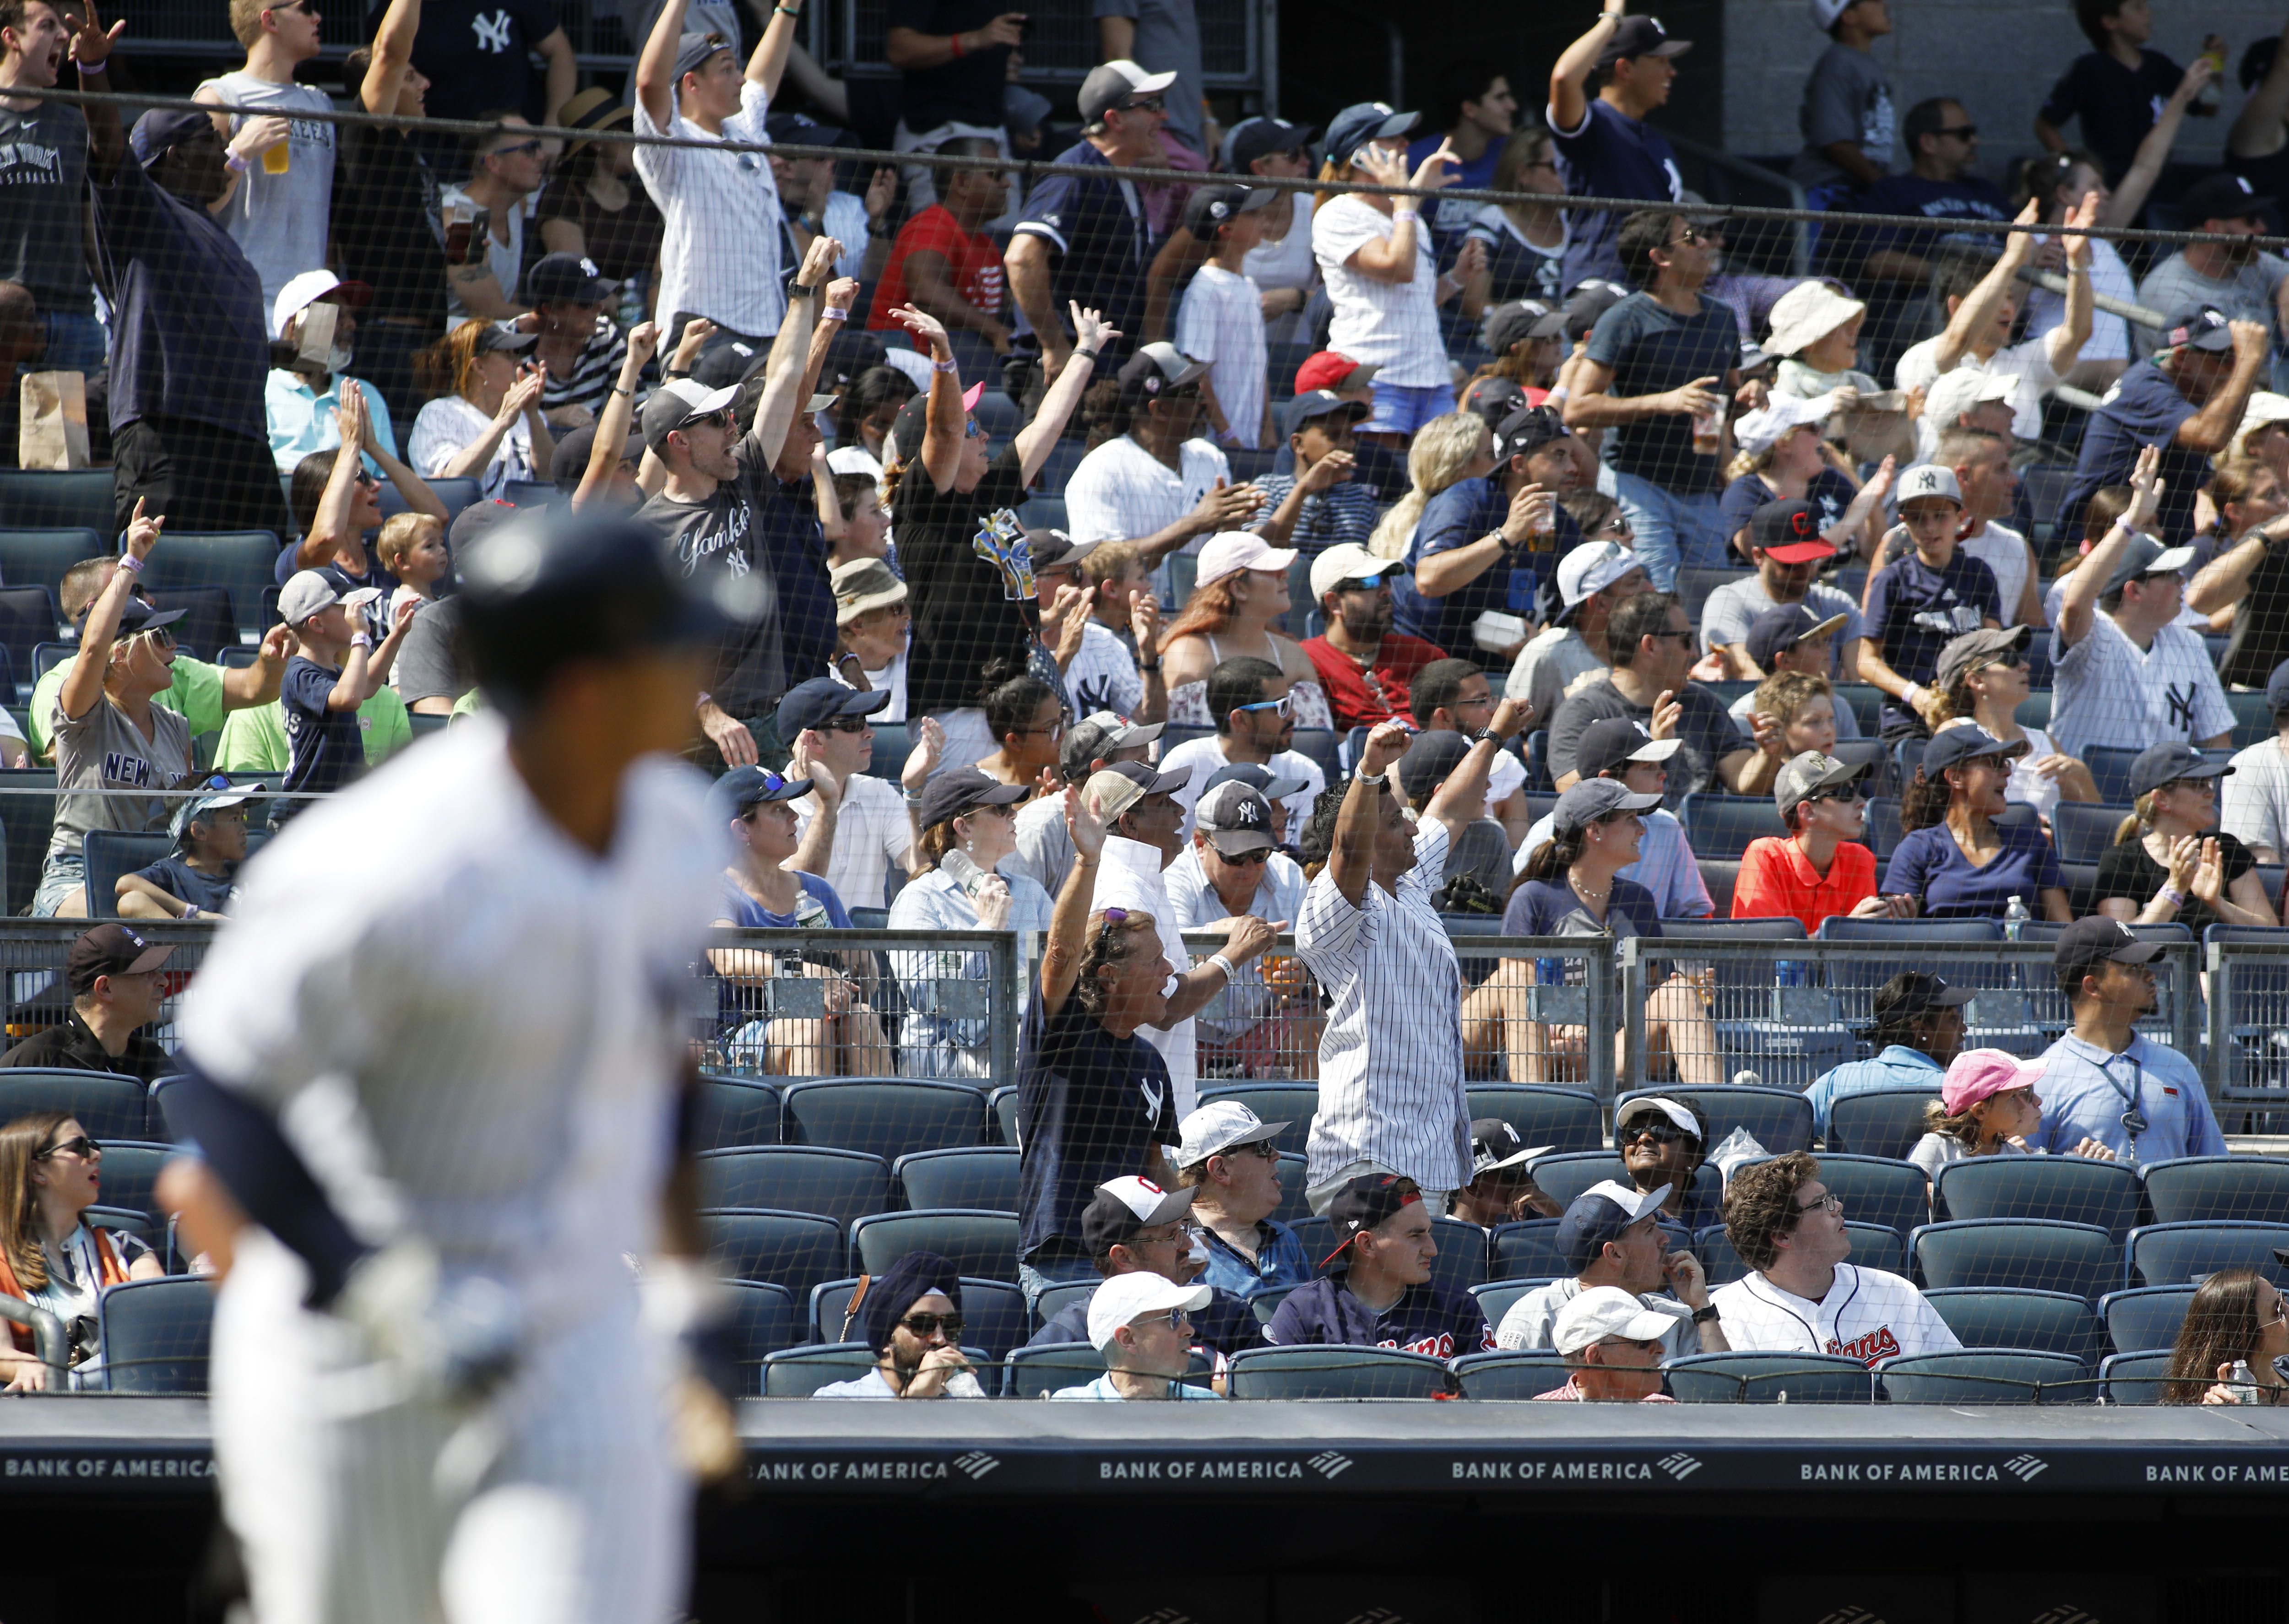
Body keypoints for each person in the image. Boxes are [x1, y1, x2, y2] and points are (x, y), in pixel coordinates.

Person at [161, 506, 759, 1620]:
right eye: (670, 647)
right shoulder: (386, 856)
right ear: (585, 687)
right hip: (351, 1350)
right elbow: (222, 1092)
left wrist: (691, 1303)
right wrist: (378, 1286)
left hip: (570, 1331)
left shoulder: (676, 827)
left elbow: (660, 1077)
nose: (701, 664)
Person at [633, 238, 846, 769]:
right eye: (715, 421)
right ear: (679, 443)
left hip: (766, 720)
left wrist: (802, 294)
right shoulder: (648, 534)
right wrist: (706, 712)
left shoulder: (745, 473)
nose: (733, 426)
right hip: (690, 736)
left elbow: (782, 383)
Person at [1297, 716, 1516, 1211]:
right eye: (1395, 821)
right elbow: (1348, 849)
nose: (1412, 826)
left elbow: (1452, 810)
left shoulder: (1411, 882)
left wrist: (1494, 732)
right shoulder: (1333, 905)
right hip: (1367, 1156)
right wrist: (1370, 769)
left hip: (1428, 1155)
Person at [1011, 780, 1185, 1306]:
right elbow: (1061, 954)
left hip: (1138, 1264)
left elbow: (1155, 1163)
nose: (1168, 970)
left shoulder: (1150, 1060)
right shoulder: (1063, 1035)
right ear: (1110, 977)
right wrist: (1088, 862)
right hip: (1064, 1261)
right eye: (1154, 961)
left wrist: (1190, 1230)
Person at [87, 98, 294, 536]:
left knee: (262, 589)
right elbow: (107, 143)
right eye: (212, 140)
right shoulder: (145, 211)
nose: (224, 151)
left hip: (245, 444)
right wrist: (93, 67)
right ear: (176, 156)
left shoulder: (218, 238)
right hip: (169, 436)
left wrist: (275, 353)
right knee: (159, 587)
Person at [1497, 776, 1723, 1087]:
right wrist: (1563, 1026)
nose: (1642, 830)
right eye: (1631, 820)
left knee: (1679, 992)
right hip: (1552, 1050)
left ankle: (1710, 1120)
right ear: (1595, 831)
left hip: (1620, 1045)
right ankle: (1535, 1111)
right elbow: (1513, 993)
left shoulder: (1639, 900)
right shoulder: (1534, 898)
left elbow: (1651, 987)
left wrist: (1691, 991)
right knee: (1528, 990)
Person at [1563, 209, 1741, 591]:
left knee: (1712, 601)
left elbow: (1723, 399)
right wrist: (1666, 402)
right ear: (1660, 257)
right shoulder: (1624, 319)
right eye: (1692, 238)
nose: (1707, 244)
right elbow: (1578, 407)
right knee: (1654, 598)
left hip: (1702, 490)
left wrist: (1749, 398)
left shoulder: (1722, 319)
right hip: (1637, 486)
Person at [39, 510, 193, 918]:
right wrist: (130, 564)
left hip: (155, 879)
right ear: (121, 652)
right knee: (117, 912)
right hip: (78, 879)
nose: (173, 647)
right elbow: (92, 650)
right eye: (159, 637)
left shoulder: (177, 727)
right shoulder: (85, 713)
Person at [634, 0, 805, 348]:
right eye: (727, 70)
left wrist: (787, 9)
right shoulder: (672, 142)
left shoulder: (745, 129)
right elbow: (651, 83)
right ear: (692, 83)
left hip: (767, 327)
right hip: (700, 330)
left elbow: (762, 78)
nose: (740, 79)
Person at [705, 763, 893, 1078]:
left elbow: (869, 981)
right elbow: (728, 959)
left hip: (820, 1017)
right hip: (740, 1036)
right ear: (741, 830)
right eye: (779, 810)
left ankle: (879, 1127)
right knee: (810, 1026)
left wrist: (854, 959)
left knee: (863, 1018)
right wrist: (804, 973)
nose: (794, 817)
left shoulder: (816, 890)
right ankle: (808, 1128)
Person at [2052, 450, 2234, 760]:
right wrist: (2131, 521)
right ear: (2134, 591)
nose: (2182, 581)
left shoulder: (2189, 644)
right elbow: (2073, 605)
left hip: (2169, 799)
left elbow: (2218, 742)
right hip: (2089, 798)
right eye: (2169, 576)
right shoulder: (2094, 635)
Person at [26, 554, 291, 767]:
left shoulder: (173, 711)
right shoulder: (58, 686)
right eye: (136, 591)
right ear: (99, 610)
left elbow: (255, 688)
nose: (151, 599)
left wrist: (272, 661)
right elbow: (67, 755)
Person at [1310, 102, 1469, 444]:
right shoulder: (1339, 213)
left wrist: (1457, 279)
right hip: (1377, 378)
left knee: (1448, 480)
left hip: (1432, 378)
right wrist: (1406, 198)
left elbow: (1417, 300)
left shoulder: (1407, 216)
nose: (1404, 145)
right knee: (1383, 482)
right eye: (1391, 138)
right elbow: (1397, 269)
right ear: (1359, 155)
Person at [1005, 59, 1176, 376]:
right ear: (1115, 119)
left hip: (1100, 363)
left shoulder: (1121, 178)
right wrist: (1055, 345)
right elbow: (1022, 259)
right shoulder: (1075, 172)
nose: (1163, 116)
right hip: (1069, 363)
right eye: (1152, 106)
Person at [1893, 198, 2097, 457]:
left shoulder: (2023, 361)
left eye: (2010, 298)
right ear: (1956, 306)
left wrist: (2077, 264)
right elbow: (1960, 338)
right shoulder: (1920, 358)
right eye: (1995, 300)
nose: (2006, 309)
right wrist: (2012, 259)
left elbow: (2077, 334)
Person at [1713, 1152, 1961, 1364]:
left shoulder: (1895, 1293)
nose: (1838, 1207)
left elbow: (1956, 1382)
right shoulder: (1729, 1314)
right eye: (1820, 1204)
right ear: (1781, 1236)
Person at [886, 766, 1049, 1078]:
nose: (1013, 815)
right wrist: (987, 930)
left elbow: (1051, 974)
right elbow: (928, 995)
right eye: (1001, 810)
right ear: (964, 828)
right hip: (945, 1059)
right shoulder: (920, 899)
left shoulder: (1031, 893)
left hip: (1024, 1045)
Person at [2057, 305, 2268, 545]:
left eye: (2237, 356)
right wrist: (2249, 361)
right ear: (2182, 359)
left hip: (2156, 548)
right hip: (2095, 549)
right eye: (2226, 359)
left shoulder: (2194, 394)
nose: (2233, 368)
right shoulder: (2144, 388)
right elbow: (2211, 438)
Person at [2033, 917, 2226, 1164]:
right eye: (2133, 968)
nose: (2150, 976)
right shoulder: (2045, 1076)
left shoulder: (2177, 1066)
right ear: (2093, 986)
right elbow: (2025, 1180)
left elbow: (2213, 1169)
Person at [1063, 341, 1260, 581]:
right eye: (1191, 393)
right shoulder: (1101, 470)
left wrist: (1231, 524)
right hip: (1133, 615)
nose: (1203, 402)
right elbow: (1098, 567)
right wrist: (1194, 524)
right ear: (1159, 410)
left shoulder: (1210, 458)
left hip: (1202, 612)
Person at [1390, 404, 1574, 658]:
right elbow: (1429, 580)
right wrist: (1506, 536)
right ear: (1519, 464)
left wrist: (1540, 638)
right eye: (1559, 456)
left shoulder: (1556, 519)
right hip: (1424, 656)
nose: (1573, 468)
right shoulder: (1469, 497)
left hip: (1493, 665)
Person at [190, 0, 334, 325]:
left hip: (315, 309)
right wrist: (240, 153)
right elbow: (192, 207)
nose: (317, 17)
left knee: (318, 377)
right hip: (241, 301)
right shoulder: (221, 97)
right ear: (270, 20)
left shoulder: (321, 103)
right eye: (306, 8)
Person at [0, 1110, 165, 1390]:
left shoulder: (126, 1250)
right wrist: (23, 1366)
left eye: (94, 1146)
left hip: (131, 1408)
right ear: (37, 1171)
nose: (96, 1155)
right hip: (39, 1417)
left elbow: (160, 1331)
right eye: (79, 1147)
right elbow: (4, 1355)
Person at [1166, 780, 1317, 1079]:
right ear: (1200, 844)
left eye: (1259, 854)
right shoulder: (1174, 876)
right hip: (1187, 1032)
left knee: (1316, 1018)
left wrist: (1303, 981)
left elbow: (1324, 964)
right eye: (1234, 857)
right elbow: (1168, 960)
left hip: (1262, 1025)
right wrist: (1227, 930)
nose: (1249, 868)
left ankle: (1307, 1119)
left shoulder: (1289, 877)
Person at [1549, 590, 1762, 801]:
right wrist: (1651, 754)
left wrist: (1768, 754)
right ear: (1650, 646)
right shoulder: (1585, 710)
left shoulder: (1700, 701)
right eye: (1687, 641)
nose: (1695, 653)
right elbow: (1574, 794)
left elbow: (1744, 781)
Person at [1025, 1175, 1262, 1358]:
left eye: (1183, 1231)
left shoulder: (1226, 1313)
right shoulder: (1067, 1338)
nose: (1189, 1245)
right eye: (1172, 1236)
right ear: (1124, 1257)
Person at [1263, 1172, 1492, 1356]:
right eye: (1416, 1236)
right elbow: (1271, 1393)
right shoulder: (1305, 1310)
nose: (1433, 1249)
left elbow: (1489, 1397)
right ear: (1368, 1244)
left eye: (1429, 1233)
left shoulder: (1459, 1308)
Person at [1506, 717, 1713, 920]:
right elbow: (1518, 913)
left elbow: (1696, 915)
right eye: (1648, 767)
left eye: (1660, 765)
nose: (1663, 775)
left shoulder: (1666, 826)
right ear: (1607, 780)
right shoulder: (1550, 831)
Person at [1496, 1178, 1728, 1359]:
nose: (1665, 1239)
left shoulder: (1677, 1318)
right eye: (1649, 1231)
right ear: (1614, 1253)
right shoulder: (1536, 1316)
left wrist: (1702, 1307)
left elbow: (1723, 1398)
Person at [1546, 6, 1690, 291]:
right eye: (1660, 61)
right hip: (1601, 291)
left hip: (1651, 293)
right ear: (1625, 68)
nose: (1671, 72)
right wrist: (1610, 20)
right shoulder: (1594, 124)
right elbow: (1564, 79)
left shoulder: (1656, 140)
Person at [1860, 464, 2001, 739]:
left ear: (1960, 516)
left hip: (1971, 714)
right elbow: (1866, 662)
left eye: (1940, 516)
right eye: (1917, 518)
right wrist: (1917, 696)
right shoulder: (1892, 579)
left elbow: (1993, 646)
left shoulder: (1979, 574)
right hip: (1909, 719)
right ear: (1903, 520)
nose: (1930, 527)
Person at [0, 0, 100, 374]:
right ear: (12, 37)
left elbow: (93, 230)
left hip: (74, 324)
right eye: (47, 25)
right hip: (6, 323)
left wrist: (117, 308)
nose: (63, 35)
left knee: (72, 436)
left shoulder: (76, 126)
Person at [1884, 725, 2072, 921]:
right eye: (1994, 763)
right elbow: (1893, 932)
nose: (2007, 773)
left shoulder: (2031, 842)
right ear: (1956, 778)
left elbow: (2062, 931)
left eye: (2006, 763)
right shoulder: (1917, 847)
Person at [780, 679, 936, 911]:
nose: (870, 733)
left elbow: (922, 870)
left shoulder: (879, 792)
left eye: (865, 722)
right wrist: (828, 805)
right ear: (814, 740)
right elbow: (795, 896)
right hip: (795, 948)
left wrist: (914, 790)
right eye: (854, 724)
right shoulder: (771, 804)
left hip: (865, 949)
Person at [1847, 97, 2012, 310]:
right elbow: (1879, 262)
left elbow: (2026, 246)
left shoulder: (1987, 191)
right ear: (1928, 143)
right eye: (1964, 134)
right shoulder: (1894, 190)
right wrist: (1956, 278)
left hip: (2004, 296)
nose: (1974, 141)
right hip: (1933, 303)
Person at [1156, 529, 1331, 730]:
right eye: (1270, 569)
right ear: (1238, 589)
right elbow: (1192, 741)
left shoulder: (1294, 654)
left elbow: (1317, 739)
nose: (1284, 575)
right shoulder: (1188, 652)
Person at [2094, 742, 2273, 932]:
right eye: (2197, 784)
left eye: (2208, 783)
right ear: (2162, 799)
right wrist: (2175, 888)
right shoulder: (2122, 859)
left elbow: (2269, 931)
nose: (2210, 794)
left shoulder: (2226, 847)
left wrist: (2216, 901)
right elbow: (2119, 940)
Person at [1927, 626, 2096, 825]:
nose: (2025, 666)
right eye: (2010, 659)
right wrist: (2027, 835)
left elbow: (2092, 830)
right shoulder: (1954, 731)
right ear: (1976, 679)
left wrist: (2082, 776)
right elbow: (1948, 817)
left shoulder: (2046, 742)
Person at [276, 572, 419, 805]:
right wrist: (360, 636)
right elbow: (349, 698)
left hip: (338, 809)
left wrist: (398, 633)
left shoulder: (331, 671)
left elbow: (367, 685)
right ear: (317, 624)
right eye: (346, 608)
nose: (357, 613)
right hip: (303, 813)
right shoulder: (300, 675)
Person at [865, 137, 1012, 363]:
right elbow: (925, 293)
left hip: (955, 364)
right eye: (995, 175)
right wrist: (995, 331)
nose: (1006, 184)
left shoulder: (986, 245)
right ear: (961, 183)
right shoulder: (931, 226)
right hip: (903, 365)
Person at [1734, 749, 1911, 931]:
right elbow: (1765, 951)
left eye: (1856, 790)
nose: (1861, 802)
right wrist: (1842, 930)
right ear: (1808, 811)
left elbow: (1857, 951)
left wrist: (1894, 928)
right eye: (1845, 792)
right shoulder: (1765, 855)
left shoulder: (1860, 860)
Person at [1704, 498, 1875, 682]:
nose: (1804, 572)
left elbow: (1861, 677)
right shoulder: (1730, 601)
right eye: (1791, 564)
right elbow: (1745, 673)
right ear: (1758, 556)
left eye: (1810, 560)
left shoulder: (1838, 603)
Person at [1717, 395, 1890, 571]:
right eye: (1812, 428)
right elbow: (1782, 568)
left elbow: (1874, 555)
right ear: (1784, 444)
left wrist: (1873, 501)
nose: (1821, 433)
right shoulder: (1744, 493)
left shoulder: (1828, 479)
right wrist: (1852, 518)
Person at [1159, 656, 1326, 839]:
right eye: (1282, 706)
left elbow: (1307, 856)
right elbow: (1163, 846)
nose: (1293, 715)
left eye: (1291, 702)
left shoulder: (1306, 773)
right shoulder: (1185, 765)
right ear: (1241, 720)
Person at [1909, 1046, 2119, 1190]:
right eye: (2018, 1095)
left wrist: (2087, 1169)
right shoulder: (1937, 1144)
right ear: (1981, 1111)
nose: (2036, 1100)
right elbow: (1911, 1193)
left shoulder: (2015, 1154)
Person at [1004, 712, 1164, 898]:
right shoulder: (1040, 827)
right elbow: (1013, 917)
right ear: (1101, 770)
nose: (1152, 771)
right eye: (1141, 761)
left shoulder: (1135, 822)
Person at [1802, 970, 1971, 1138]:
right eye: (1953, 1020)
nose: (1964, 1029)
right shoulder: (1956, 1092)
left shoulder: (1837, 1081)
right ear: (1919, 1029)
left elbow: (1784, 1134)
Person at [1174, 1100, 1313, 1300]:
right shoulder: (1184, 1251)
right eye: (1263, 1147)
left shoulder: (1285, 1239)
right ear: (1221, 1170)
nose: (1276, 1155)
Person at [536, 87, 666, 299]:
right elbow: (576, 275)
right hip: (594, 315)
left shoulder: (645, 196)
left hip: (650, 313)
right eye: (625, 128)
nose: (634, 137)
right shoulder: (562, 196)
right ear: (597, 143)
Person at [2137, 173, 2289, 355]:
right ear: (2214, 228)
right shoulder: (2167, 290)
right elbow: (2205, 369)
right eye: (2250, 220)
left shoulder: (2251, 263)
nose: (2262, 228)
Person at [266, 271, 400, 474]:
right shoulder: (261, 391)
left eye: (350, 316)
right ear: (295, 330)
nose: (351, 324)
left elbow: (387, 483)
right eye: (336, 316)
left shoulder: (365, 395)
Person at [1507, 537, 1647, 731]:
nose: (1651, 590)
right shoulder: (1549, 652)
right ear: (1599, 603)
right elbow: (1511, 738)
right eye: (1635, 583)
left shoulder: (1650, 646)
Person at [0, 924, 173, 1081]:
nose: (164, 981)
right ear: (105, 988)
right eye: (147, 972)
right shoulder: (34, 1064)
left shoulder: (153, 1059)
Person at [1173, 182, 1275, 448]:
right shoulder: (1204, 291)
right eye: (1253, 214)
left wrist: (1268, 428)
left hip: (1250, 443)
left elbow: (1258, 366)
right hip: (1216, 447)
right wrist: (1227, 435)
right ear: (1226, 230)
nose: (1263, 218)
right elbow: (1196, 372)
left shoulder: (1250, 286)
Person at [813, 1250, 990, 1399]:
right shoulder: (836, 1401)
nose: (940, 1339)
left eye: (951, 1326)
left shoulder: (965, 1406)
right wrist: (914, 1403)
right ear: (886, 1340)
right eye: (922, 1325)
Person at [407, 319, 553, 498]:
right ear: (479, 366)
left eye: (517, 356)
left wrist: (532, 415)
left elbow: (552, 480)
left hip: (527, 522)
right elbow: (453, 485)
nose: (518, 363)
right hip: (466, 523)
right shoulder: (438, 413)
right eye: (508, 355)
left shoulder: (530, 416)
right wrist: (503, 422)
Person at [1297, 546, 1437, 731]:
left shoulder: (1421, 654)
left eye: (1386, 580)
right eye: (1370, 582)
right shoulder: (1306, 662)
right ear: (1334, 602)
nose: (1386, 591)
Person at [2189, 456, 2289, 690]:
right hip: (2257, 689)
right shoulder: (2274, 541)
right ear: (2234, 510)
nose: (2284, 501)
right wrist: (2269, 535)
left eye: (2283, 491)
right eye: (2269, 495)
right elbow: (2199, 600)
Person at [1049, 1272, 1222, 1401]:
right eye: (1173, 1318)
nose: (1189, 1330)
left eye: (1184, 1316)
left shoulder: (1208, 1405)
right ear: (1128, 1339)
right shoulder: (1069, 1408)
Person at [1409, 658, 1530, 842]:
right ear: (1444, 717)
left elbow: (1517, 850)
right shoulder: (1396, 766)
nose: (1494, 711)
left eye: (1492, 699)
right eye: (1482, 701)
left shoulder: (1505, 765)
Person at [1248, 391, 1377, 558]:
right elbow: (1257, 552)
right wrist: (1303, 489)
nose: (1348, 444)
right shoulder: (1268, 487)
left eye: (1349, 435)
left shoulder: (1359, 499)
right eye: (1334, 435)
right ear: (1298, 444)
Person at [116, 778, 260, 921]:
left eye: (243, 818)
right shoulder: (172, 872)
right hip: (185, 944)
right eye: (234, 819)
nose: (244, 831)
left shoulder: (247, 875)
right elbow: (125, 885)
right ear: (199, 832)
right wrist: (196, 915)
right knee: (131, 900)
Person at [1456, 129, 1568, 309]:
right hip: (1515, 333)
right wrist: (1532, 313)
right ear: (1523, 173)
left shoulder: (1574, 221)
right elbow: (1474, 307)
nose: (1565, 175)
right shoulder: (1493, 222)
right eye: (1555, 167)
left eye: (1567, 165)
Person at [1793, 0, 1894, 192]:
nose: (1883, 4)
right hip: (1830, 189)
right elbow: (1835, 143)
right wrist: (1882, 184)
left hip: (1857, 188)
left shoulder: (1861, 61)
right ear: (1849, 16)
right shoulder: (1838, 64)